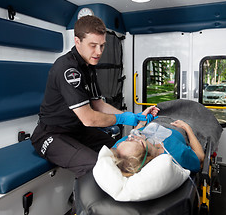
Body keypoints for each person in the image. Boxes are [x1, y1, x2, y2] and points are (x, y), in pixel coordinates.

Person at [31, 15, 159, 178]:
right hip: (50, 135)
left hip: (76, 130)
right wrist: (122, 119)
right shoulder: (68, 69)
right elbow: (88, 119)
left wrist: (135, 117)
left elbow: (98, 104)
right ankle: (83, 204)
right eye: (93, 45)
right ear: (77, 41)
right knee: (96, 166)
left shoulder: (88, 66)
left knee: (118, 151)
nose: (98, 52)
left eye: (102, 46)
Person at [111, 108, 205, 176]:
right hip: (178, 124)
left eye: (128, 139)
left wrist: (142, 122)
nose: (133, 135)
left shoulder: (121, 149)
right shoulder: (176, 154)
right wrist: (187, 127)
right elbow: (200, 157)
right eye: (135, 140)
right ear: (147, 154)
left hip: (156, 119)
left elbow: (136, 133)